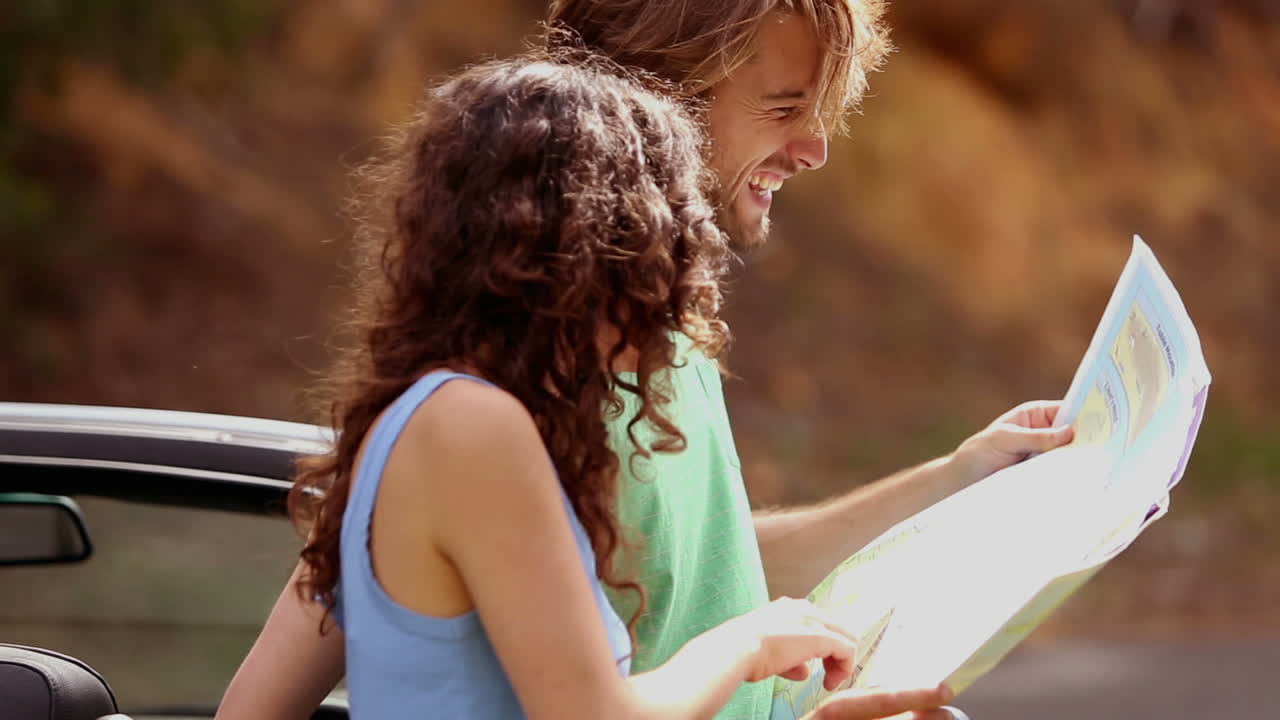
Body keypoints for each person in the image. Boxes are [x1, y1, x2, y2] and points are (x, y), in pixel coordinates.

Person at [217, 2, 1070, 718]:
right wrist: (752, 644)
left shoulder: (556, 382)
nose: (816, 148)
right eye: (782, 107)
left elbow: (693, 578)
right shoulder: (470, 428)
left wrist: (957, 476)